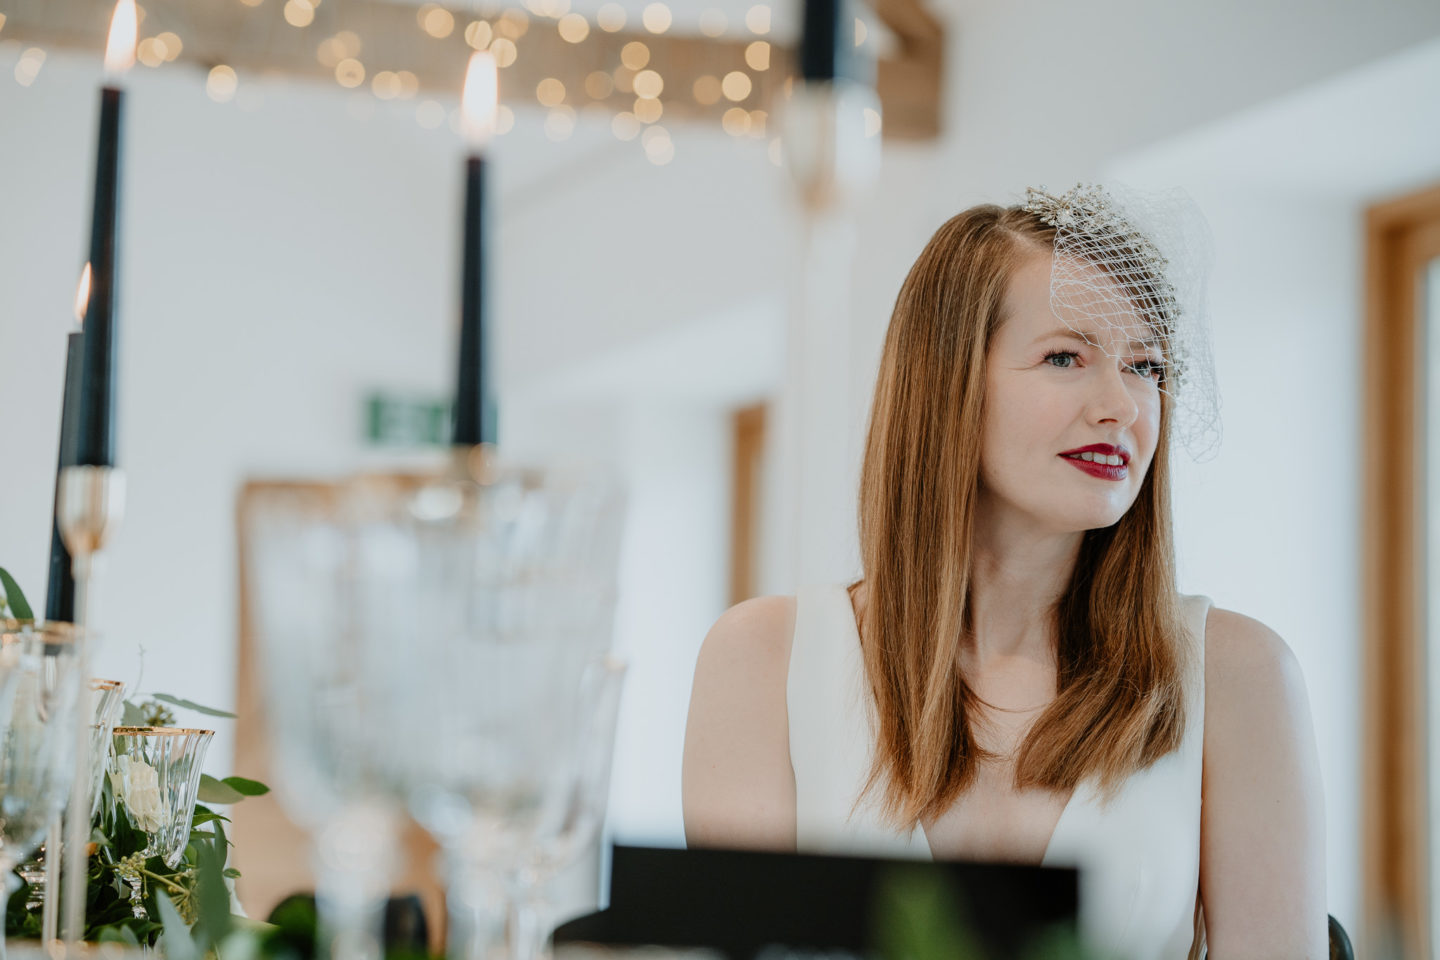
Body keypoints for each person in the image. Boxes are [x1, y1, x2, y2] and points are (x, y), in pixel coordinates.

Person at [681, 186, 1327, 958]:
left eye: (1146, 366)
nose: (1122, 405)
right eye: (1065, 357)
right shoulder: (763, 660)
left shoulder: (1238, 675)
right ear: (947, 385)